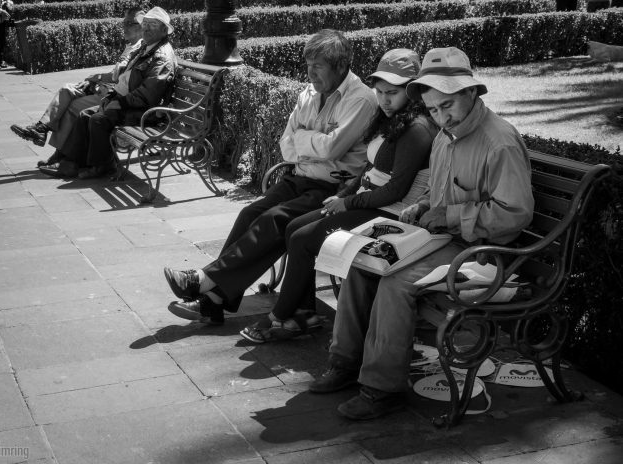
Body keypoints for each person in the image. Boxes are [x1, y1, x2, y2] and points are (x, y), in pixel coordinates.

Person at [308, 47, 535, 421]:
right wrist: (426, 204)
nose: (440, 116)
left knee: (396, 283)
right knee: (363, 261)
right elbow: (444, 191)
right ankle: (345, 362)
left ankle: (382, 388)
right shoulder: (447, 135)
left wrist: (447, 214)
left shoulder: (500, 142)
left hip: (485, 253)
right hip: (446, 239)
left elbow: (513, 215)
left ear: (470, 93)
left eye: (447, 105)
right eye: (432, 109)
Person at [163, 29, 378, 325]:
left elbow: (333, 148)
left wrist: (306, 140)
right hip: (299, 176)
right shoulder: (309, 93)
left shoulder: (361, 99)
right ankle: (213, 297)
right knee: (250, 213)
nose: (311, 73)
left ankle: (205, 284)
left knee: (275, 219)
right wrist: (315, 140)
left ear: (340, 66)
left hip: (333, 187)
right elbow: (287, 146)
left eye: (318, 66)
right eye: (308, 65)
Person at [239, 49, 438, 343]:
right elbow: (370, 167)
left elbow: (395, 190)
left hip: (391, 214)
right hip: (367, 201)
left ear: (412, 91)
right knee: (294, 227)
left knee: (303, 239)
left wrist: (347, 202)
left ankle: (280, 316)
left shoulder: (416, 129)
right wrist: (347, 191)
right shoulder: (391, 119)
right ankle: (304, 313)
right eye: (380, 91)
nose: (384, 99)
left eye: (392, 93)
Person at [38, 6, 177, 179]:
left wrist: (121, 102)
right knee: (85, 114)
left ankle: (103, 165)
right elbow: (124, 78)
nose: (146, 28)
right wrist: (112, 96)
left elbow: (147, 95)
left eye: (153, 25)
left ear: (164, 30)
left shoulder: (162, 56)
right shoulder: (148, 48)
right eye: (145, 23)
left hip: (146, 113)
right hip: (132, 104)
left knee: (98, 119)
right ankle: (71, 163)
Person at [10, 7, 145, 169]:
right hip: (106, 89)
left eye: (129, 23)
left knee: (72, 107)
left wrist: (97, 79)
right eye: (124, 22)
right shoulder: (132, 45)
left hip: (113, 96)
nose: (124, 26)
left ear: (141, 27)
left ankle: (61, 153)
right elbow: (118, 74)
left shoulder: (139, 47)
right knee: (67, 89)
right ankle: (43, 131)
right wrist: (95, 81)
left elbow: (119, 77)